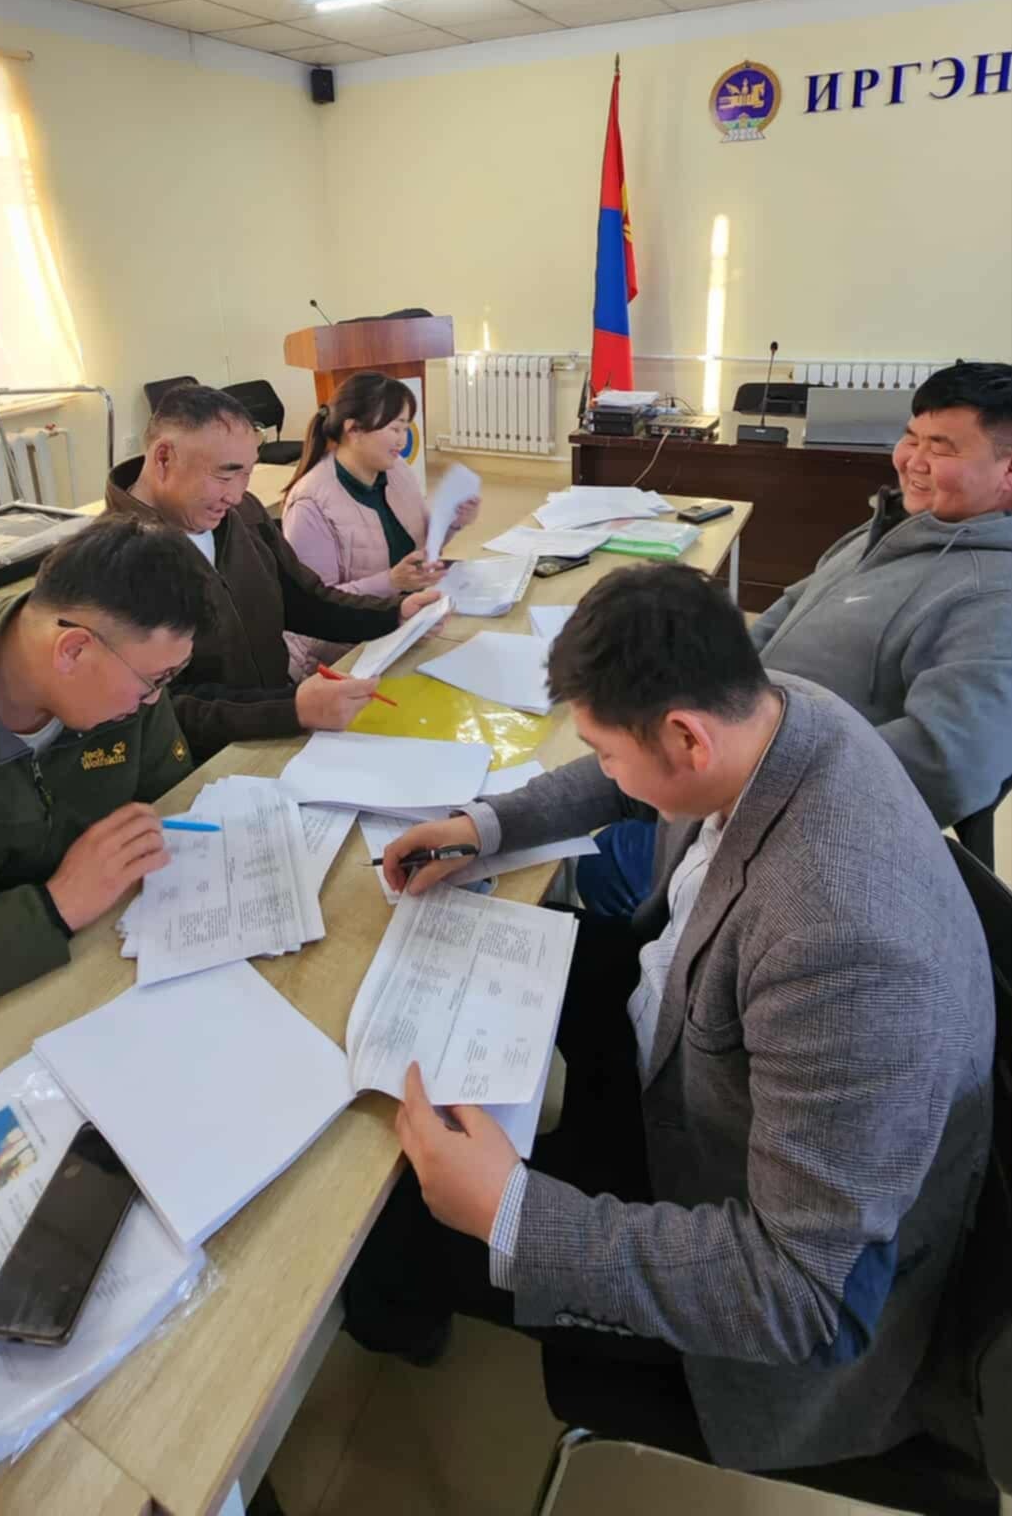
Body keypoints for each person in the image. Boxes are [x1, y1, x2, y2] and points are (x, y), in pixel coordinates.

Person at [344, 565, 995, 1477]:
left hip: (745, 1244)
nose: (605, 769)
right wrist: (486, 826)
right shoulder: (774, 706)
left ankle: (402, 1320)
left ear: (685, 737)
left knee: (395, 1225)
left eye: (607, 750)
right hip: (696, 1040)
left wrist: (510, 1211)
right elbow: (619, 779)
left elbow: (803, 1296)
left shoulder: (845, 945)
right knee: (508, 954)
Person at [580, 358, 1012, 914]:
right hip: (734, 755)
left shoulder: (993, 597)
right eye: (911, 437)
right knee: (605, 765)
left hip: (784, 829)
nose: (913, 461)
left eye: (943, 449)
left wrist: (744, 788)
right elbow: (786, 610)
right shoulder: (892, 528)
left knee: (599, 859)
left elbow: (944, 764)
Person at [0, 517, 212, 1063]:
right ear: (72, 651)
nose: (153, 701)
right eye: (155, 680)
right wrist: (53, 907)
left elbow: (170, 808)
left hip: (83, 989)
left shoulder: (120, 674)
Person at [106, 384, 440, 760]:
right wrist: (289, 708)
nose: (236, 494)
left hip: (279, 729)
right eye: (225, 476)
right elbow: (161, 706)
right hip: (206, 761)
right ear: (164, 458)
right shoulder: (114, 562)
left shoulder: (240, 514)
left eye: (246, 475)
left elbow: (303, 599)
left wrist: (393, 613)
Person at [281, 371, 480, 679]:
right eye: (394, 428)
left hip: (402, 627)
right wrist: (392, 581)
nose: (403, 440)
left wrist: (452, 522)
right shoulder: (310, 504)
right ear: (353, 429)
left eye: (406, 428)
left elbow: (419, 548)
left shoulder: (397, 472)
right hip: (342, 656)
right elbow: (314, 608)